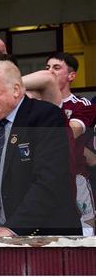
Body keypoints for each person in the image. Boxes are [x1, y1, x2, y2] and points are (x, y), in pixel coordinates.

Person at [0, 60, 80, 237]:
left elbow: (49, 181)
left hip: (47, 240)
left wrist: (10, 229)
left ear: (16, 90)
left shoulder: (46, 116)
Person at [46, 52, 94, 236]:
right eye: (47, 68)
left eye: (56, 68)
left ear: (71, 76)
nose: (50, 72)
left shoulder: (81, 104)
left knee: (86, 235)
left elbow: (70, 133)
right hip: (43, 178)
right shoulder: (36, 104)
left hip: (76, 178)